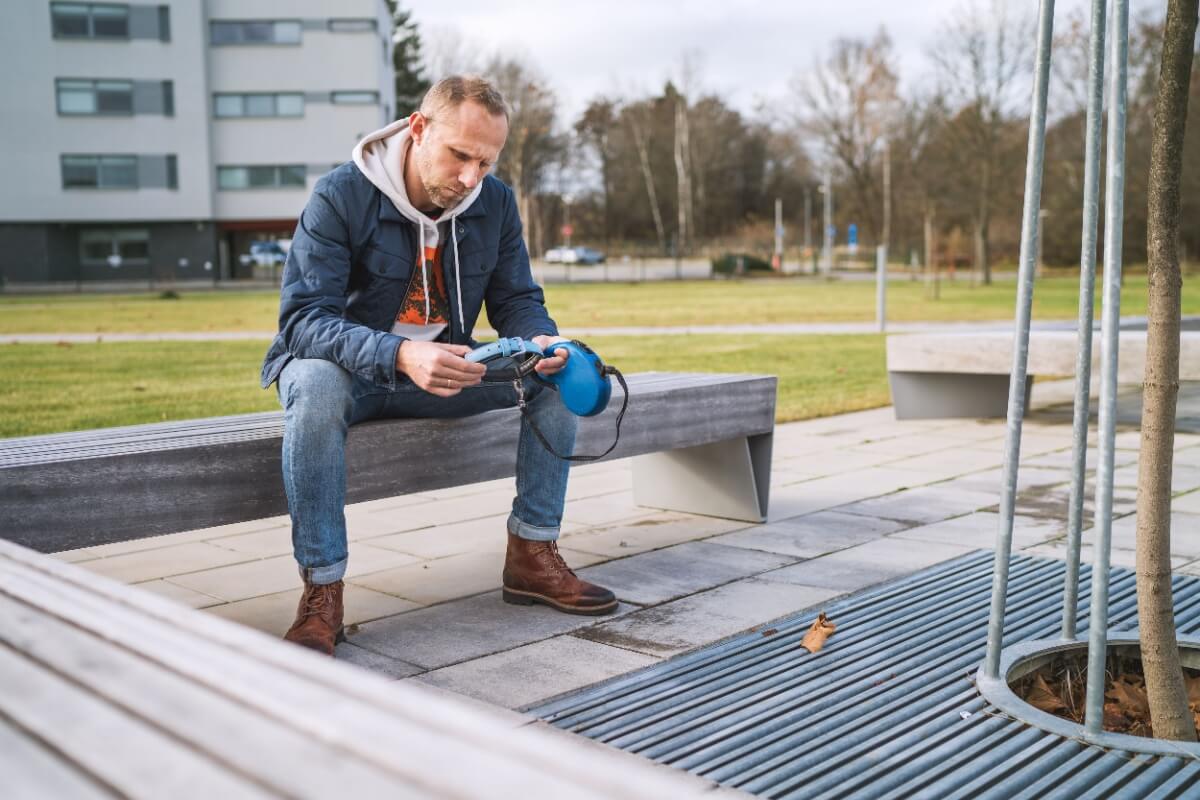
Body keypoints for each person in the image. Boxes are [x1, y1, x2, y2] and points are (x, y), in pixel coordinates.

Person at [260, 76, 617, 656]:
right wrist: (398, 351)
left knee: (547, 373)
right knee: (317, 384)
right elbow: (303, 322)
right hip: (353, 373)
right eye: (460, 156)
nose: (472, 177)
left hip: (452, 367)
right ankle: (322, 591)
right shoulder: (339, 196)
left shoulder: (493, 202)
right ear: (419, 128)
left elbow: (515, 300)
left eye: (486, 161)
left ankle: (531, 553)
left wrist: (543, 340)